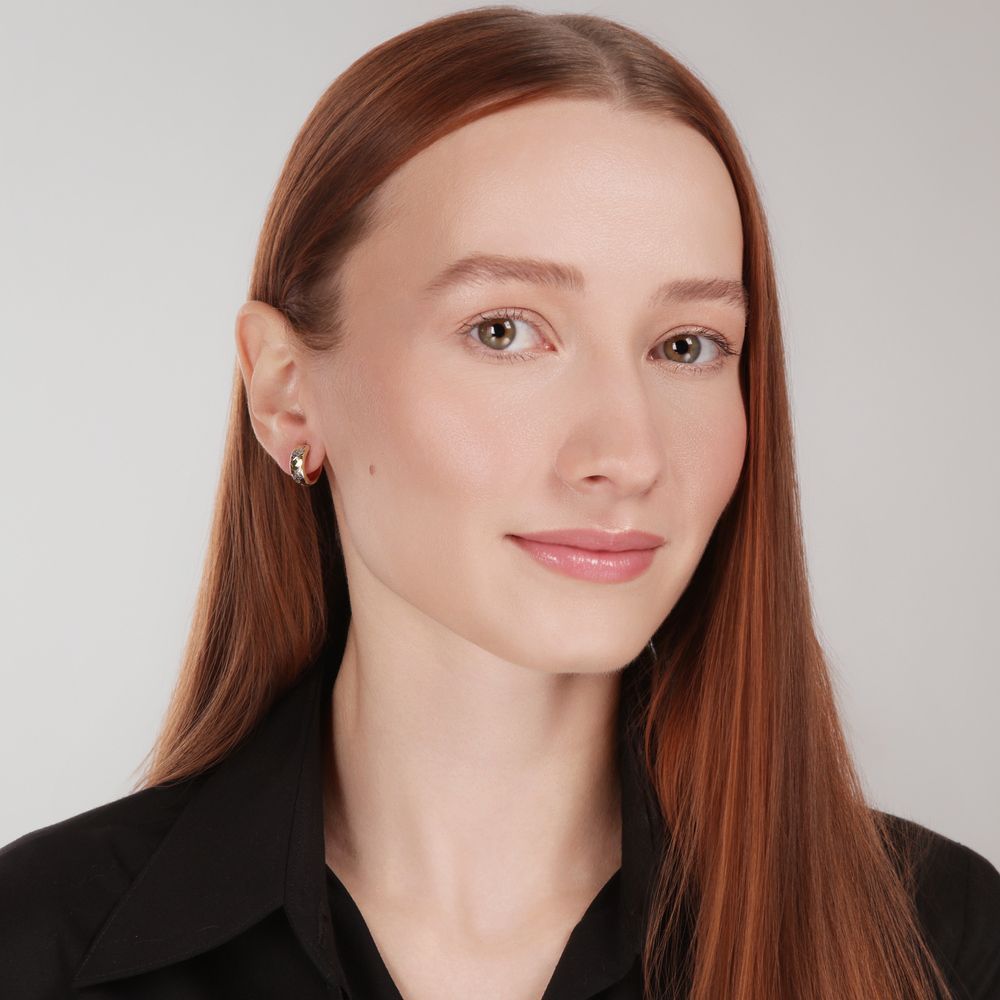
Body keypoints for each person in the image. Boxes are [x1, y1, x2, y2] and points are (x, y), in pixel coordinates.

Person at [1, 6, 998, 999]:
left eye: (685, 345)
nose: (627, 454)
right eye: (504, 331)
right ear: (285, 390)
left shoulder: (944, 946)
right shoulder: (34, 947)